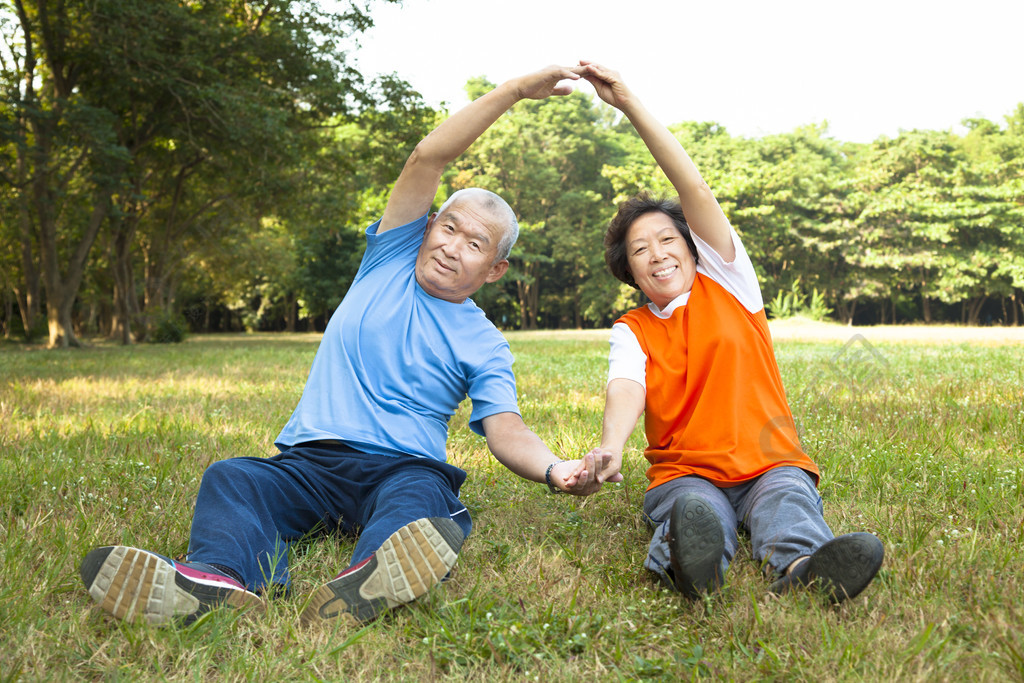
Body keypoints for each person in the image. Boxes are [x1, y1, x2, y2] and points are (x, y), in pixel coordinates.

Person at [79, 64, 621, 627]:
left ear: (495, 269)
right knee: (233, 477)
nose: (453, 245)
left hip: (401, 468)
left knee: (416, 505)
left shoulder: (484, 342)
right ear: (430, 225)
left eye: (475, 243)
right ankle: (218, 580)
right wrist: (514, 91)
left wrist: (558, 470)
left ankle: (368, 580)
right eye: (449, 227)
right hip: (310, 463)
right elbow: (427, 159)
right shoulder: (387, 260)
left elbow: (506, 429)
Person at [578, 61, 884, 602]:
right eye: (640, 250)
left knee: (787, 500)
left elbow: (690, 183)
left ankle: (805, 572)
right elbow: (626, 387)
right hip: (687, 471)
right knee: (695, 512)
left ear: (692, 249)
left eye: (667, 240)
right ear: (631, 272)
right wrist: (610, 445)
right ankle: (691, 566)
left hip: (768, 459)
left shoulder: (731, 284)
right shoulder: (633, 329)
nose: (657, 254)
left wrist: (627, 104)